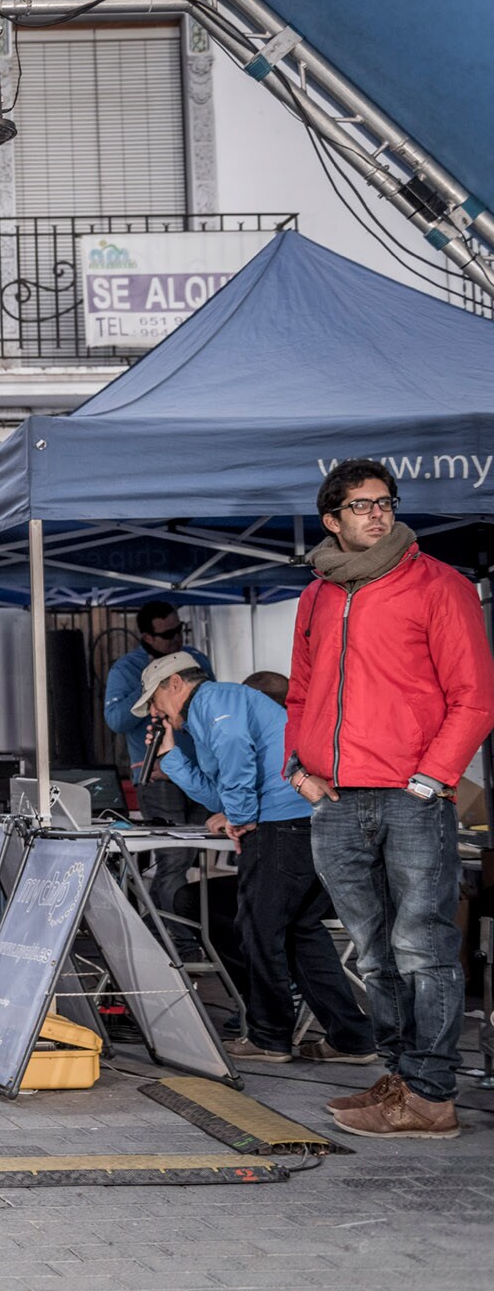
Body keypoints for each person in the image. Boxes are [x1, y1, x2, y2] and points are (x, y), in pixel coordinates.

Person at [286, 459, 494, 1139]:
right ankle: (400, 1077)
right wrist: (298, 766)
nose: (377, 513)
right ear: (333, 519)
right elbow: (302, 691)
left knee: (422, 947)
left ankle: (432, 1094)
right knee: (373, 952)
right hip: (337, 801)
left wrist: (431, 778)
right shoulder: (318, 595)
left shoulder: (440, 585)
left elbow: (474, 697)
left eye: (385, 502)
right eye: (361, 504)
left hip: (410, 797)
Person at [136, 653, 376, 1066]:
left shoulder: (215, 700)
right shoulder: (208, 715)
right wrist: (170, 756)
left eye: (154, 700)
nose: (154, 712)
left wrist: (242, 816)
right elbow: (217, 795)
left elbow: (234, 752)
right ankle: (351, 1039)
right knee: (300, 930)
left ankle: (270, 1038)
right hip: (297, 822)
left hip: (283, 824)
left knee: (259, 930)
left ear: (175, 683)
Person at [104, 600, 215, 951]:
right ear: (146, 636)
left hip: (199, 771)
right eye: (167, 635)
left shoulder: (194, 659)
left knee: (205, 851)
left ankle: (196, 934)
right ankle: (170, 940)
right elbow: (117, 721)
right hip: (156, 774)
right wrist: (154, 686)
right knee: (173, 858)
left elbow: (209, 705)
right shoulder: (127, 668)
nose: (175, 640)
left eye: (179, 630)